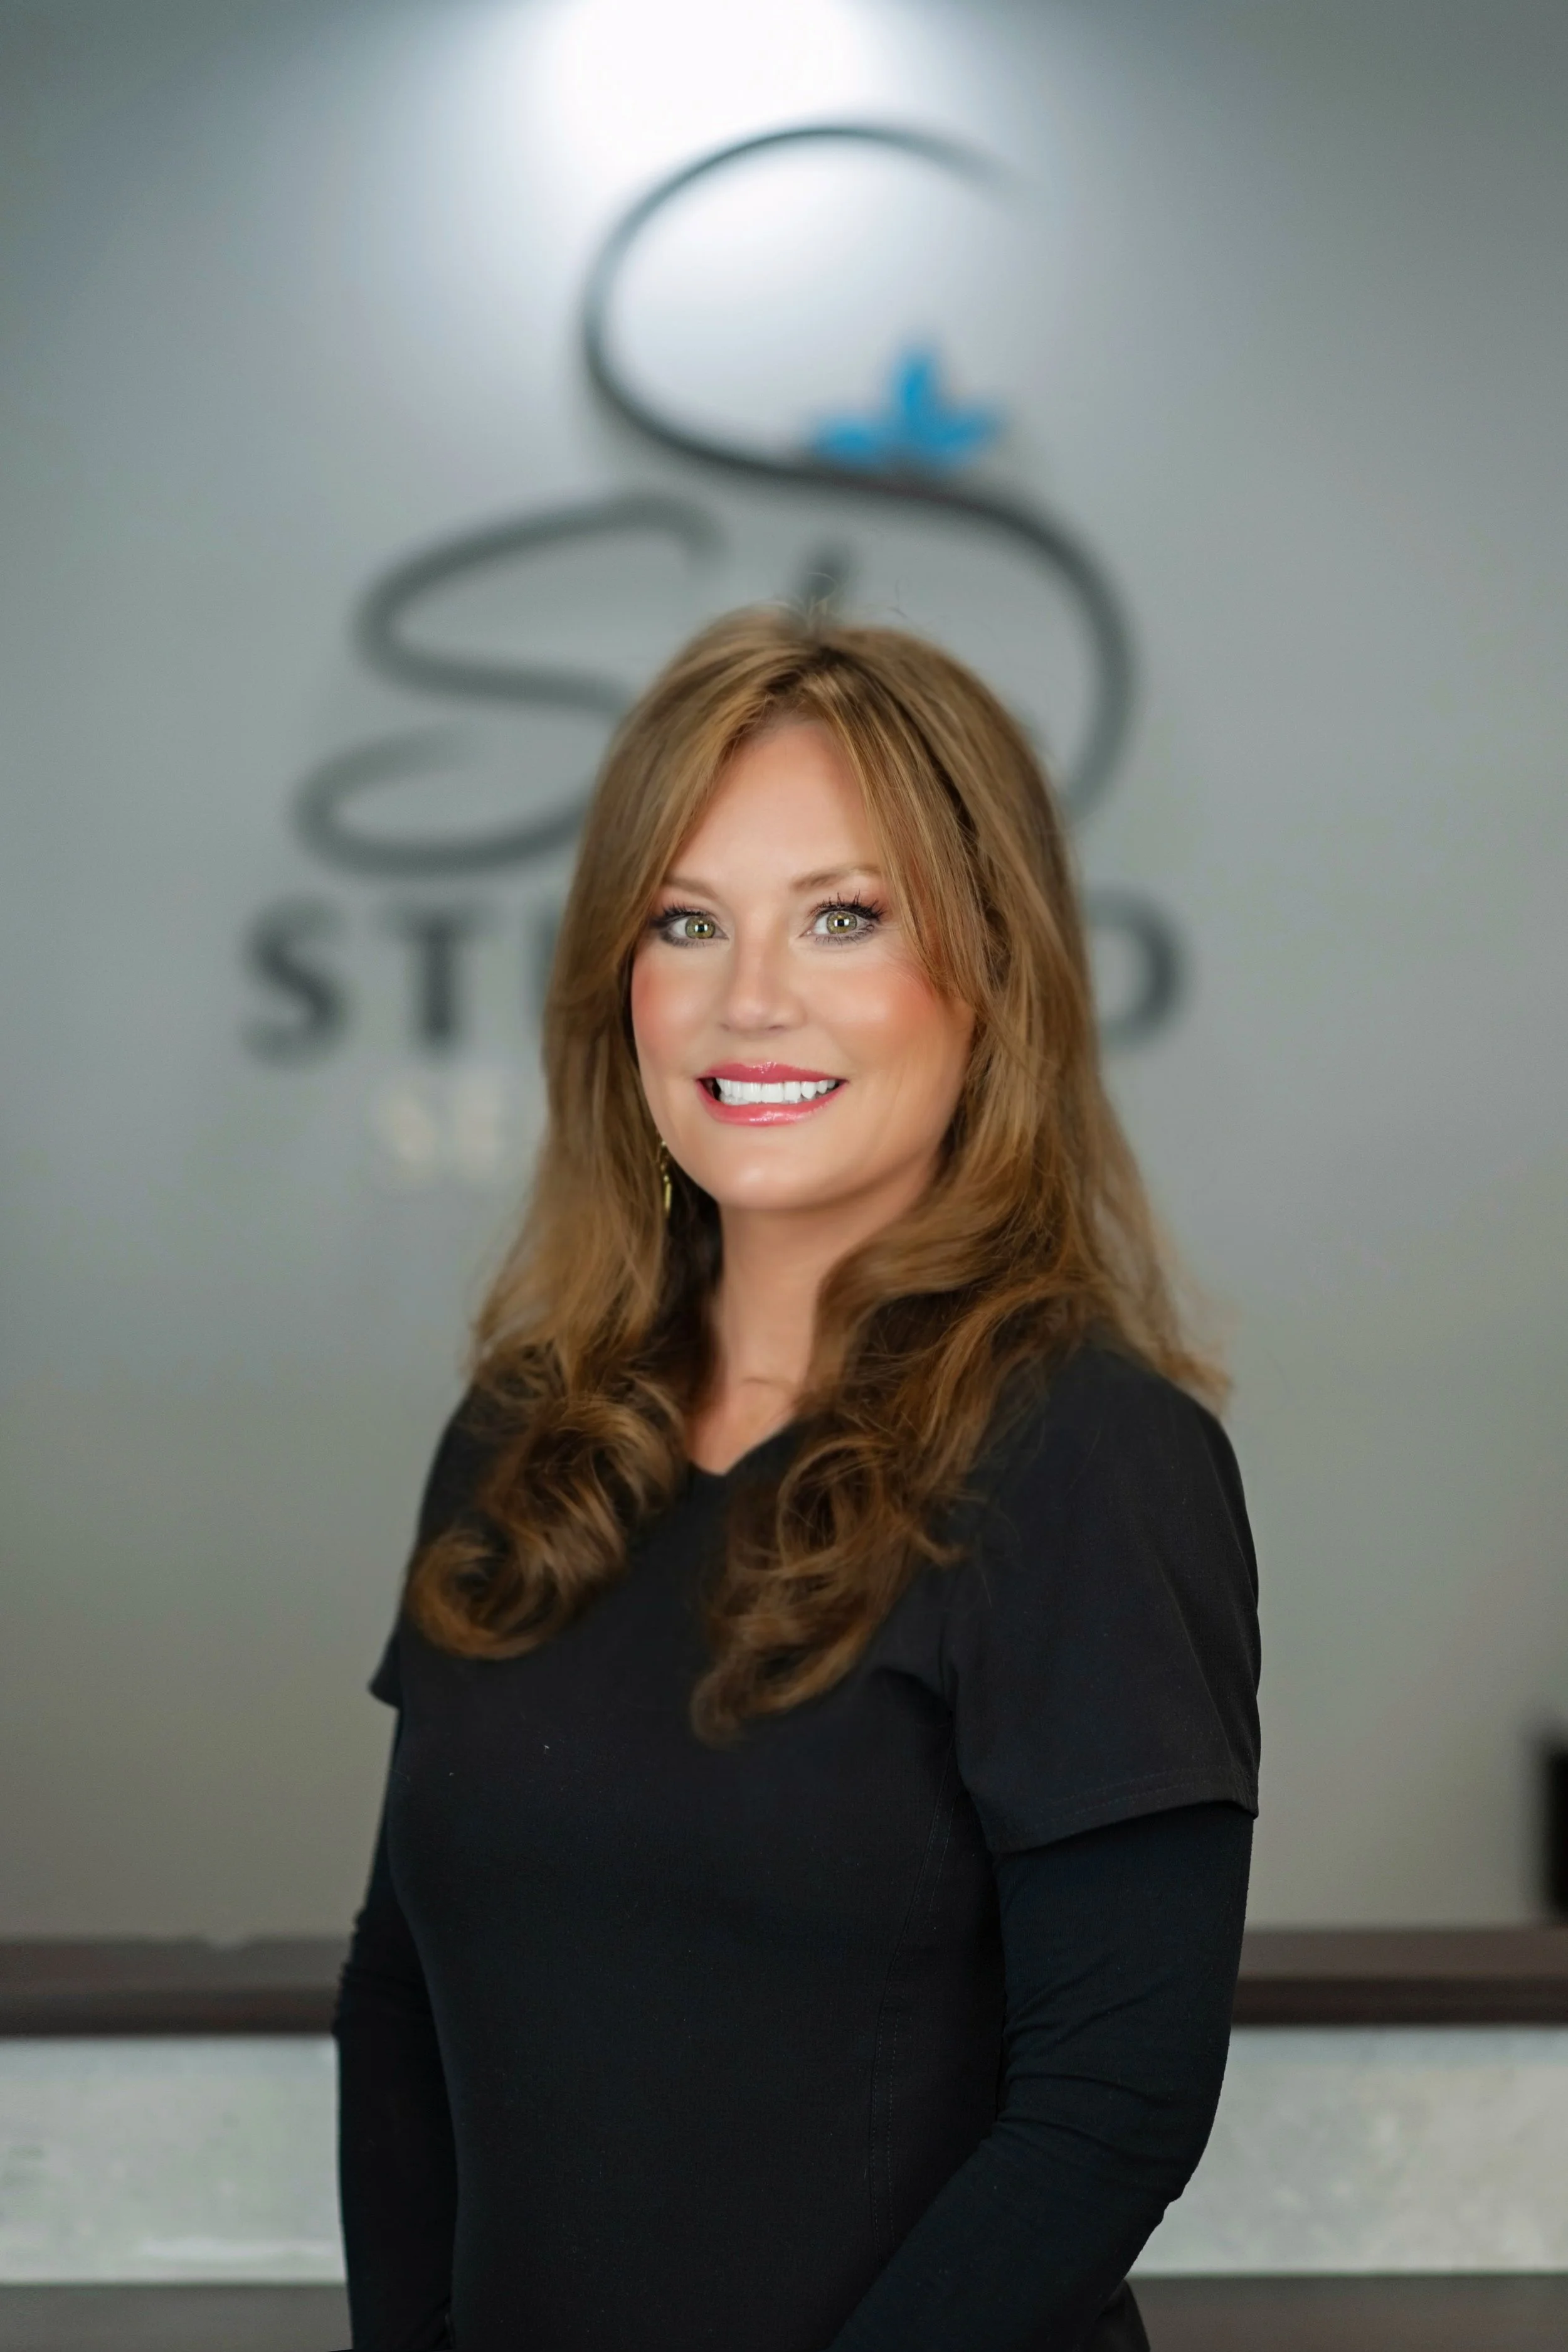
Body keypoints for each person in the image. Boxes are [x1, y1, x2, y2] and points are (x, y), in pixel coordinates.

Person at [333, 610, 1260, 2352]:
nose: (749, 995)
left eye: (843, 916)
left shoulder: (1090, 1457)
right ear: (621, 983)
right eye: (686, 921)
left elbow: (1108, 2108)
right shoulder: (518, 1439)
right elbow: (400, 1992)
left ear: (987, 977)